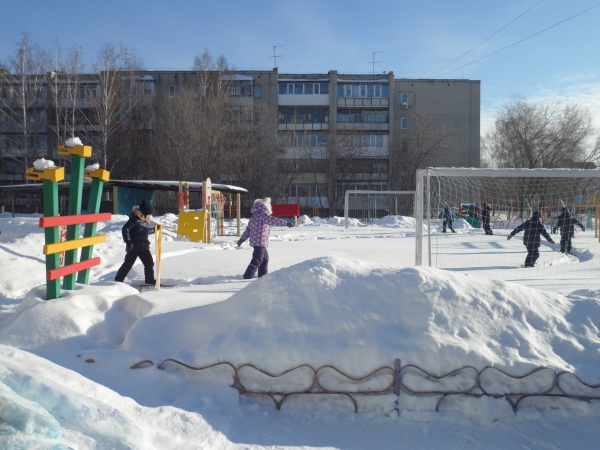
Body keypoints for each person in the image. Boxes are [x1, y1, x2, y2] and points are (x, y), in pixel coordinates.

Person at [237, 197, 293, 279]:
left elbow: (248, 230)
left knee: (265, 258)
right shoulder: (263, 216)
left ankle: (262, 276)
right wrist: (286, 223)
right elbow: (274, 221)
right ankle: (248, 275)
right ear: (267, 207)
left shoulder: (253, 217)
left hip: (256, 242)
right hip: (260, 242)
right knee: (257, 259)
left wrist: (242, 239)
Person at [115, 199, 158, 285]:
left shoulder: (144, 221)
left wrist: (155, 230)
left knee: (149, 263)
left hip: (143, 247)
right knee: (128, 264)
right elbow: (125, 229)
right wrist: (128, 241)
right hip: (134, 247)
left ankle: (149, 280)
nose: (150, 216)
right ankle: (118, 281)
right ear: (144, 214)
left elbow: (144, 231)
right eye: (149, 214)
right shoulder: (134, 219)